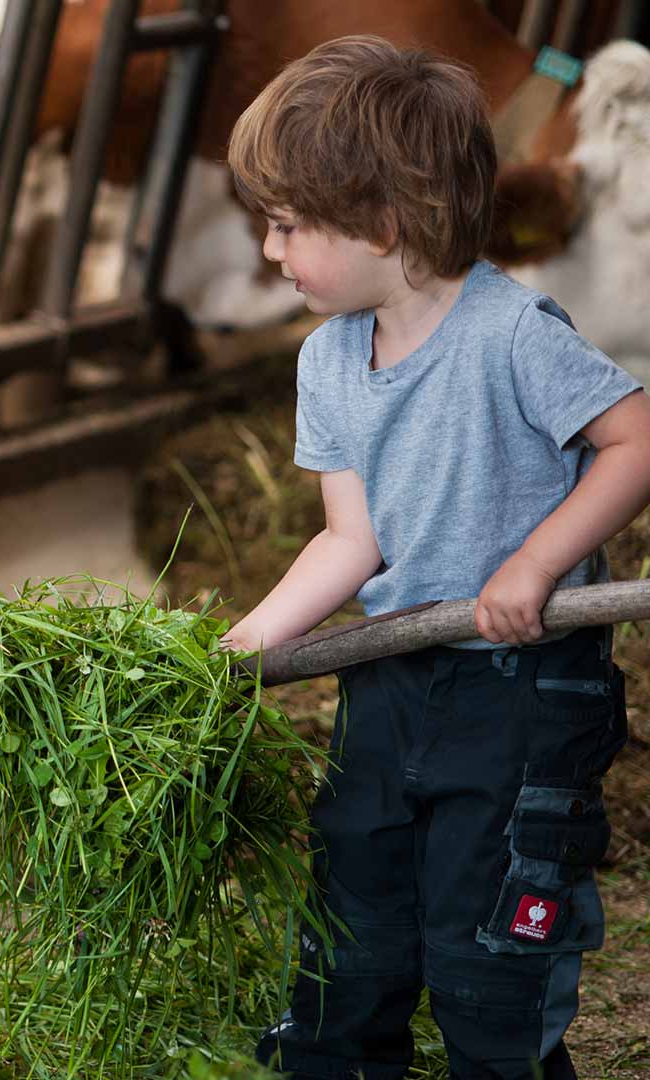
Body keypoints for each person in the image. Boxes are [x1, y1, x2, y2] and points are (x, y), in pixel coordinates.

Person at [216, 35, 650, 1080]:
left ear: (381, 222)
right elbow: (349, 540)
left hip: (523, 685)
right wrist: (239, 646)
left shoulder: (512, 335)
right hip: (393, 677)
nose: (270, 253)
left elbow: (635, 442)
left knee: (486, 948)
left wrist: (534, 567)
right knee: (349, 931)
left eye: (284, 226)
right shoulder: (328, 358)